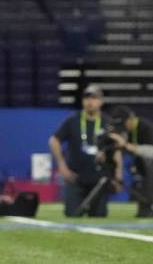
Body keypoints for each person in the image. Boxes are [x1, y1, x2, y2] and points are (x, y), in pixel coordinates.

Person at [49, 85, 122, 217]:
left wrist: (118, 177)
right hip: (76, 178)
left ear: (101, 101)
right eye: (87, 98)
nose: (90, 102)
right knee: (72, 215)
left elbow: (116, 151)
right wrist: (61, 166)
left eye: (94, 98)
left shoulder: (108, 123)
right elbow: (54, 140)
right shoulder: (73, 120)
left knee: (98, 217)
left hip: (99, 180)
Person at [107, 106, 153, 217]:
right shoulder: (125, 131)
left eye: (124, 124)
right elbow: (117, 151)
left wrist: (126, 145)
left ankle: (152, 206)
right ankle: (145, 208)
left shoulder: (147, 128)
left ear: (131, 119)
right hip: (142, 168)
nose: (123, 127)